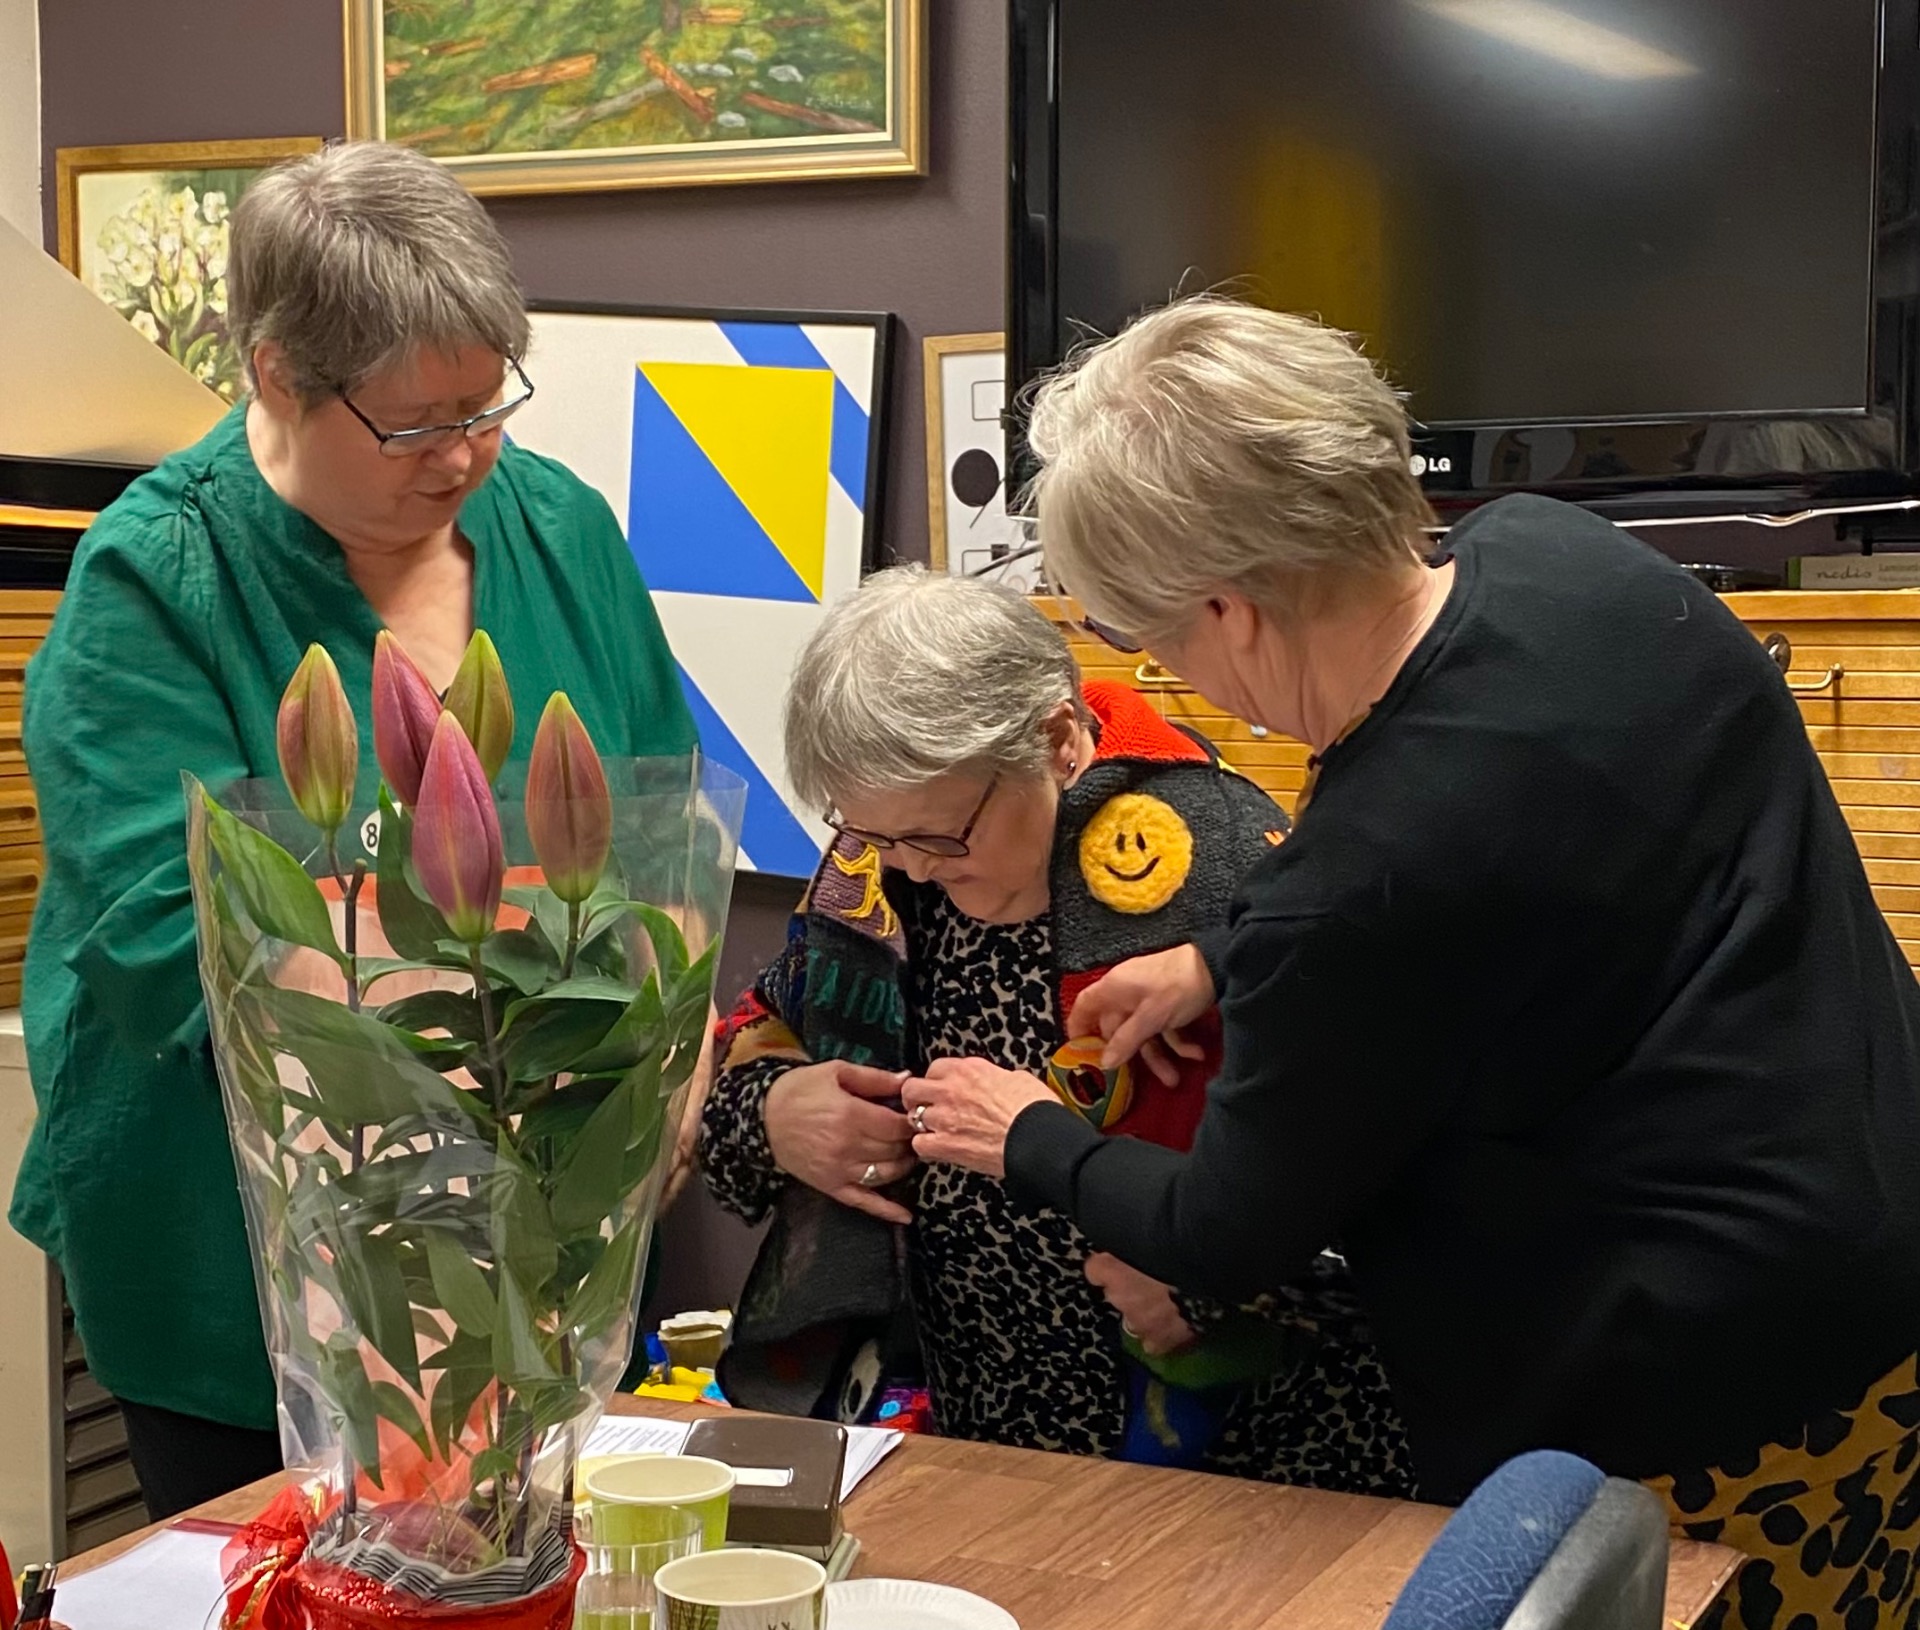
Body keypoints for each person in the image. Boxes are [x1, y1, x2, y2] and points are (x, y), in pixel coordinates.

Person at [902, 297, 1920, 1630]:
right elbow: (1527, 865)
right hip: (1876, 1245)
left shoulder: (1364, 876)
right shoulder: (1566, 557)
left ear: (1231, 610)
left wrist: (1030, 1135)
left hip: (1711, 1405)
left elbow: (1228, 1229)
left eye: (1161, 644)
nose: (1184, 682)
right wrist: (1223, 958)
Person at [11, 141, 698, 1520]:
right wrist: (464, 1086)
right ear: (277, 373)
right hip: (249, 1261)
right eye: (414, 423)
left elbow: (659, 832)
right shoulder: (156, 579)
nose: (465, 454)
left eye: (487, 401)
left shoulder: (558, 525)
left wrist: (664, 1077)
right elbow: (163, 936)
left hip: (557, 1235)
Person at [700, 567, 1414, 1495]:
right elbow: (746, 1056)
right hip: (984, 1437)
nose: (911, 869)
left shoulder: (1219, 859)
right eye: (874, 834)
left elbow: (1391, 1187)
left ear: (1058, 738)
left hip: (1256, 1458)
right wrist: (777, 1113)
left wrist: (1210, 1281)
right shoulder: (881, 865)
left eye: (942, 837)